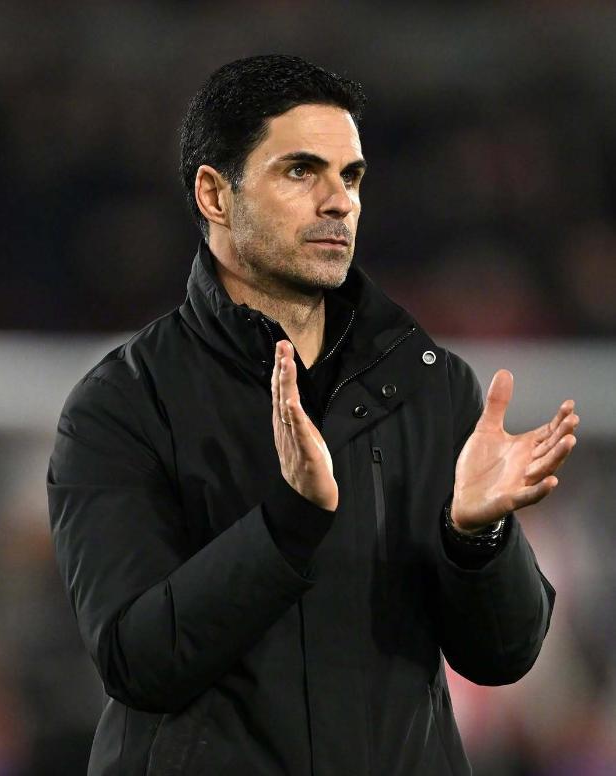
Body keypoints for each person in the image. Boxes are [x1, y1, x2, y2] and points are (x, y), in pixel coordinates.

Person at [47, 54, 579, 776]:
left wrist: (477, 537)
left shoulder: (428, 384)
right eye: (301, 171)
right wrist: (287, 525)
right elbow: (136, 661)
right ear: (214, 193)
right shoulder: (122, 404)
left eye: (350, 176)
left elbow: (503, 657)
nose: (339, 202)